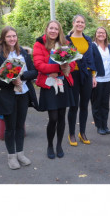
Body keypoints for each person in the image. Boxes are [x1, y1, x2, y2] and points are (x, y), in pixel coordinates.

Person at [0, 26, 38, 169]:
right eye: (9, 36)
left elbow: (34, 72)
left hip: (22, 94)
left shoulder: (22, 52)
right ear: (3, 38)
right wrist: (11, 79)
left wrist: (22, 76)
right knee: (10, 128)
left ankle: (20, 154)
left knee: (20, 126)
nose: (12, 39)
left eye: (14, 36)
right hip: (6, 95)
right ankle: (11, 156)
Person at [33, 20, 75, 159]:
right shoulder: (39, 43)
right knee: (53, 117)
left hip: (63, 83)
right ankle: (50, 145)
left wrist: (63, 70)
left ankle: (59, 145)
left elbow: (73, 63)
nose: (53, 31)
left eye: (56, 29)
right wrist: (59, 68)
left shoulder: (66, 43)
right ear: (47, 29)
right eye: (51, 28)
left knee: (62, 116)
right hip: (49, 85)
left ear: (59, 31)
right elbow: (39, 65)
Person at [66, 14, 96, 145]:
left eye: (82, 22)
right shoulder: (66, 40)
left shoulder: (88, 39)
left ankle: (82, 132)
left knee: (84, 105)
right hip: (73, 74)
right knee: (73, 106)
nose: (80, 24)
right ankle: (71, 133)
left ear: (84, 25)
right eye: (77, 22)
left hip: (87, 75)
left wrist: (94, 75)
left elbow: (91, 59)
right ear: (73, 23)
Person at [91, 27, 110, 135]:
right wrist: (93, 77)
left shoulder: (109, 47)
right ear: (96, 34)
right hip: (97, 79)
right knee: (96, 104)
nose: (101, 34)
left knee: (105, 104)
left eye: (103, 33)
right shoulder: (93, 46)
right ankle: (99, 126)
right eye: (99, 32)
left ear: (106, 35)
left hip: (108, 79)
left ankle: (105, 125)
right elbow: (91, 62)